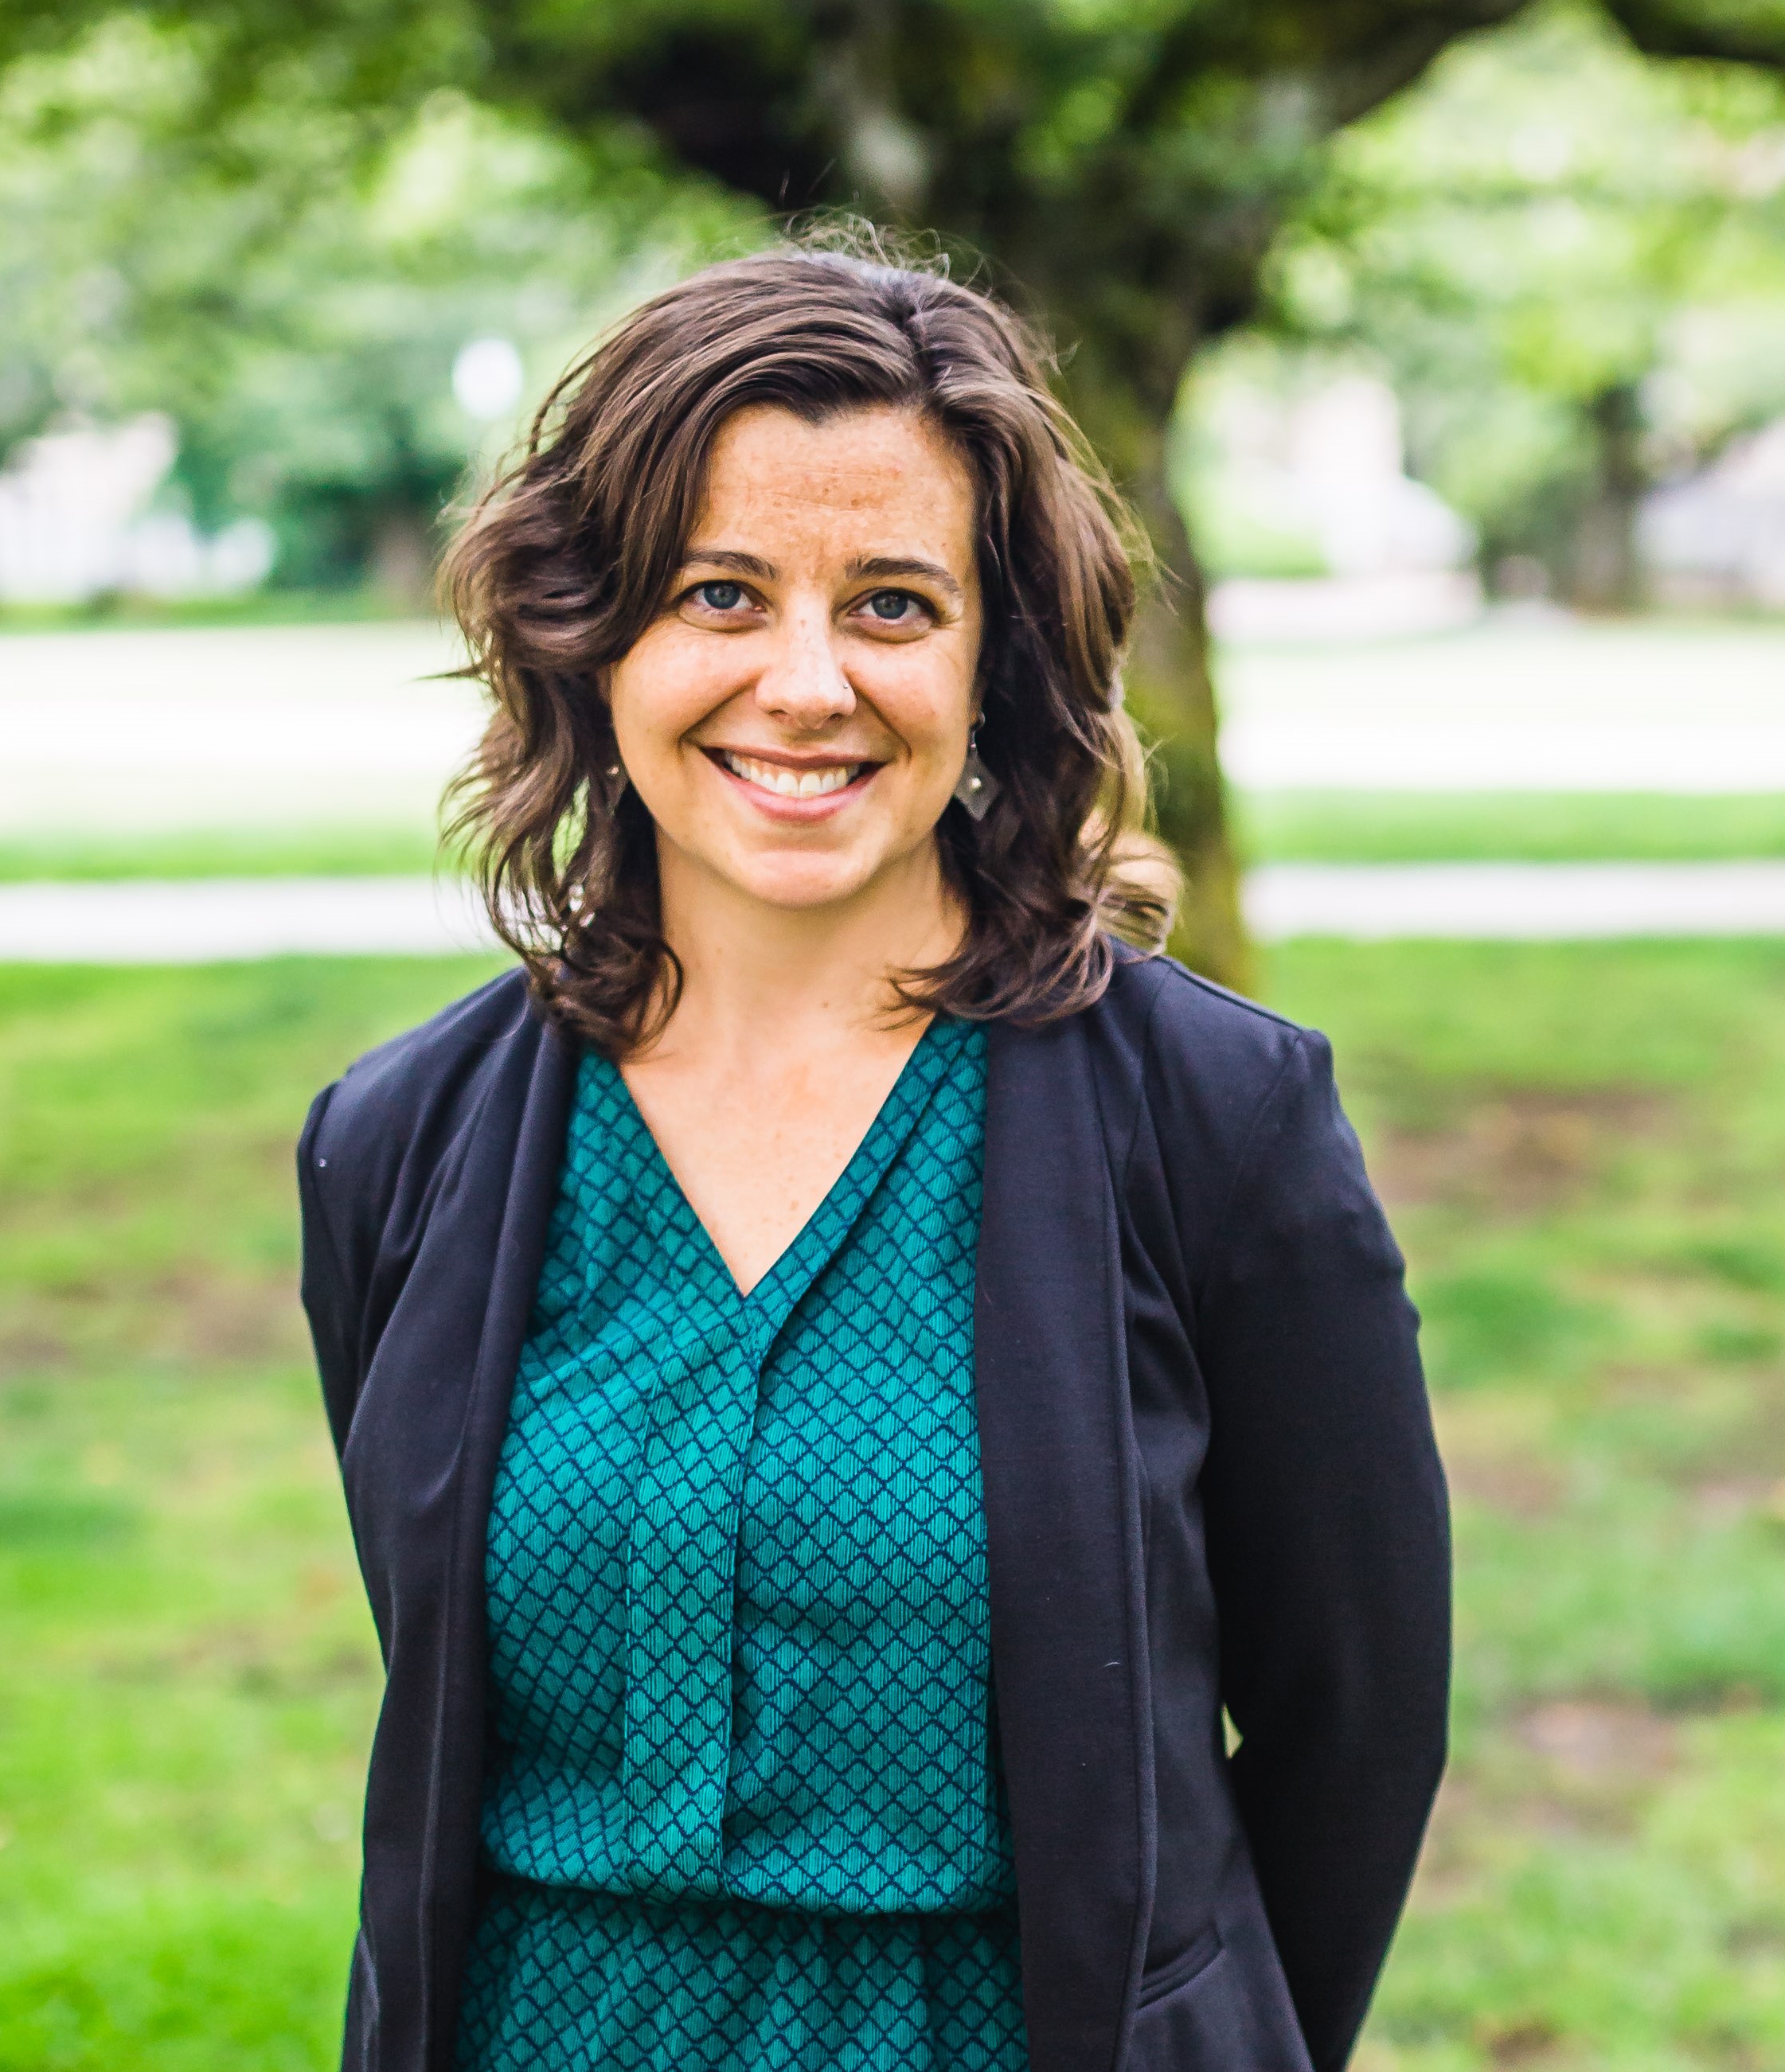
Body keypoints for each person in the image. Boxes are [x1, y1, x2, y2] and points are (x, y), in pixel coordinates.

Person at [298, 242, 1451, 2072]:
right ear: (594, 635)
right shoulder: (404, 1147)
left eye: (896, 604)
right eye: (721, 593)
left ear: (994, 659)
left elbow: (1359, 1719)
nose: (806, 683)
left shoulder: (1217, 1128)